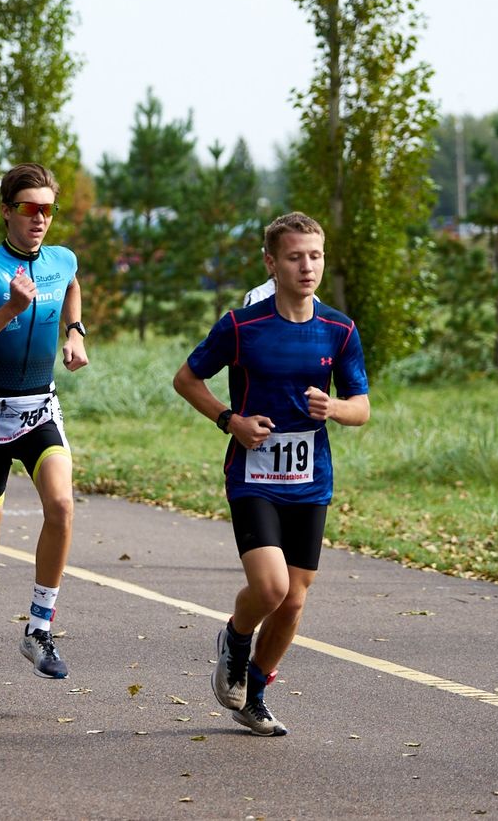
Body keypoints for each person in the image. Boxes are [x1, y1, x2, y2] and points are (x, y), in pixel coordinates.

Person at [172, 212, 370, 737]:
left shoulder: (339, 329)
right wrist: (230, 421)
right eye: (294, 257)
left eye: (315, 256)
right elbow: (186, 379)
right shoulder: (242, 326)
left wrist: (334, 408)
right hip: (254, 475)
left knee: (294, 598)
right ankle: (235, 639)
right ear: (271, 263)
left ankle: (254, 694)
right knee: (271, 587)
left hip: (311, 480)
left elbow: (362, 407)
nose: (307, 267)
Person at [0, 162, 89, 693]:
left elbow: (71, 285)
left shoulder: (61, 259)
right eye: (29, 208)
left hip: (41, 407)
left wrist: (75, 332)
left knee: (62, 506)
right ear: (6, 211)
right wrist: (10, 306)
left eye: (48, 210)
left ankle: (39, 629)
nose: (40, 219)